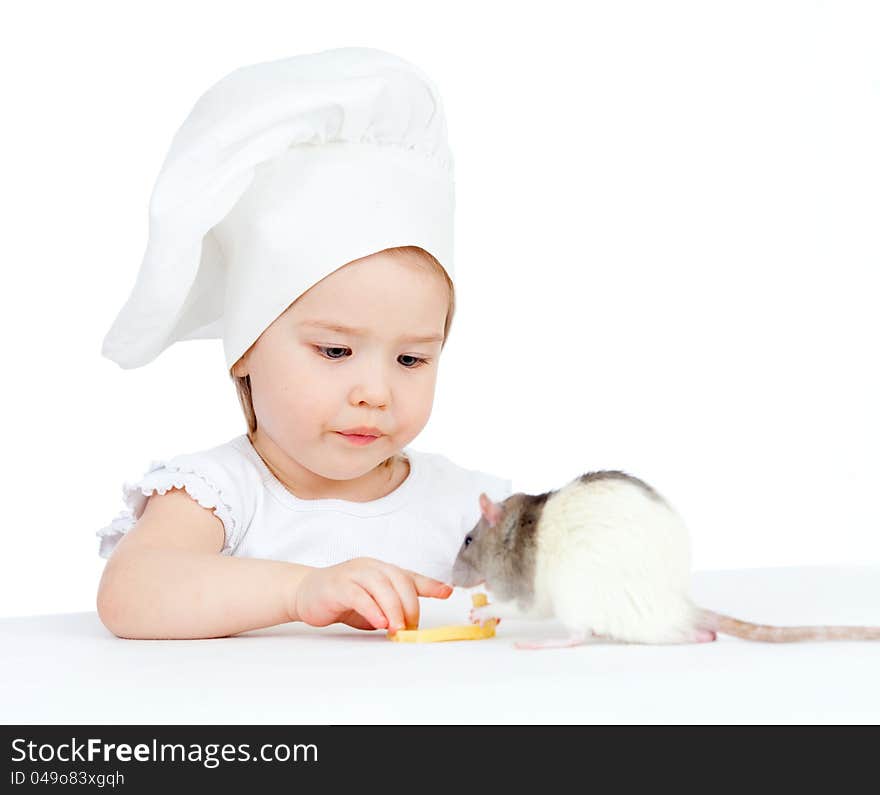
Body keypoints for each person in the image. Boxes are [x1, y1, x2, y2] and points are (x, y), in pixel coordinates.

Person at [95, 47, 512, 640]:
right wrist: (300, 590)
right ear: (245, 349)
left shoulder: (466, 506)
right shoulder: (221, 496)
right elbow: (133, 595)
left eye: (411, 358)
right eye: (335, 352)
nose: (375, 392)